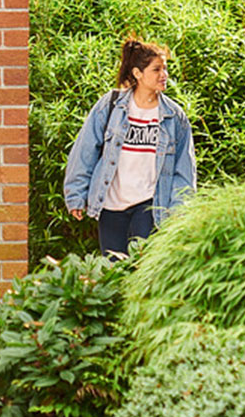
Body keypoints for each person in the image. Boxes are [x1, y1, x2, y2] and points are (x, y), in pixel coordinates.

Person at [62, 38, 198, 256]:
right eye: (157, 70)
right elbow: (84, 151)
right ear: (137, 73)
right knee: (113, 269)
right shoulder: (111, 105)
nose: (164, 75)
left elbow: (184, 169)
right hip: (111, 205)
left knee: (141, 266)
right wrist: (76, 195)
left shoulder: (174, 117)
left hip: (150, 205)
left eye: (165, 69)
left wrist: (179, 209)